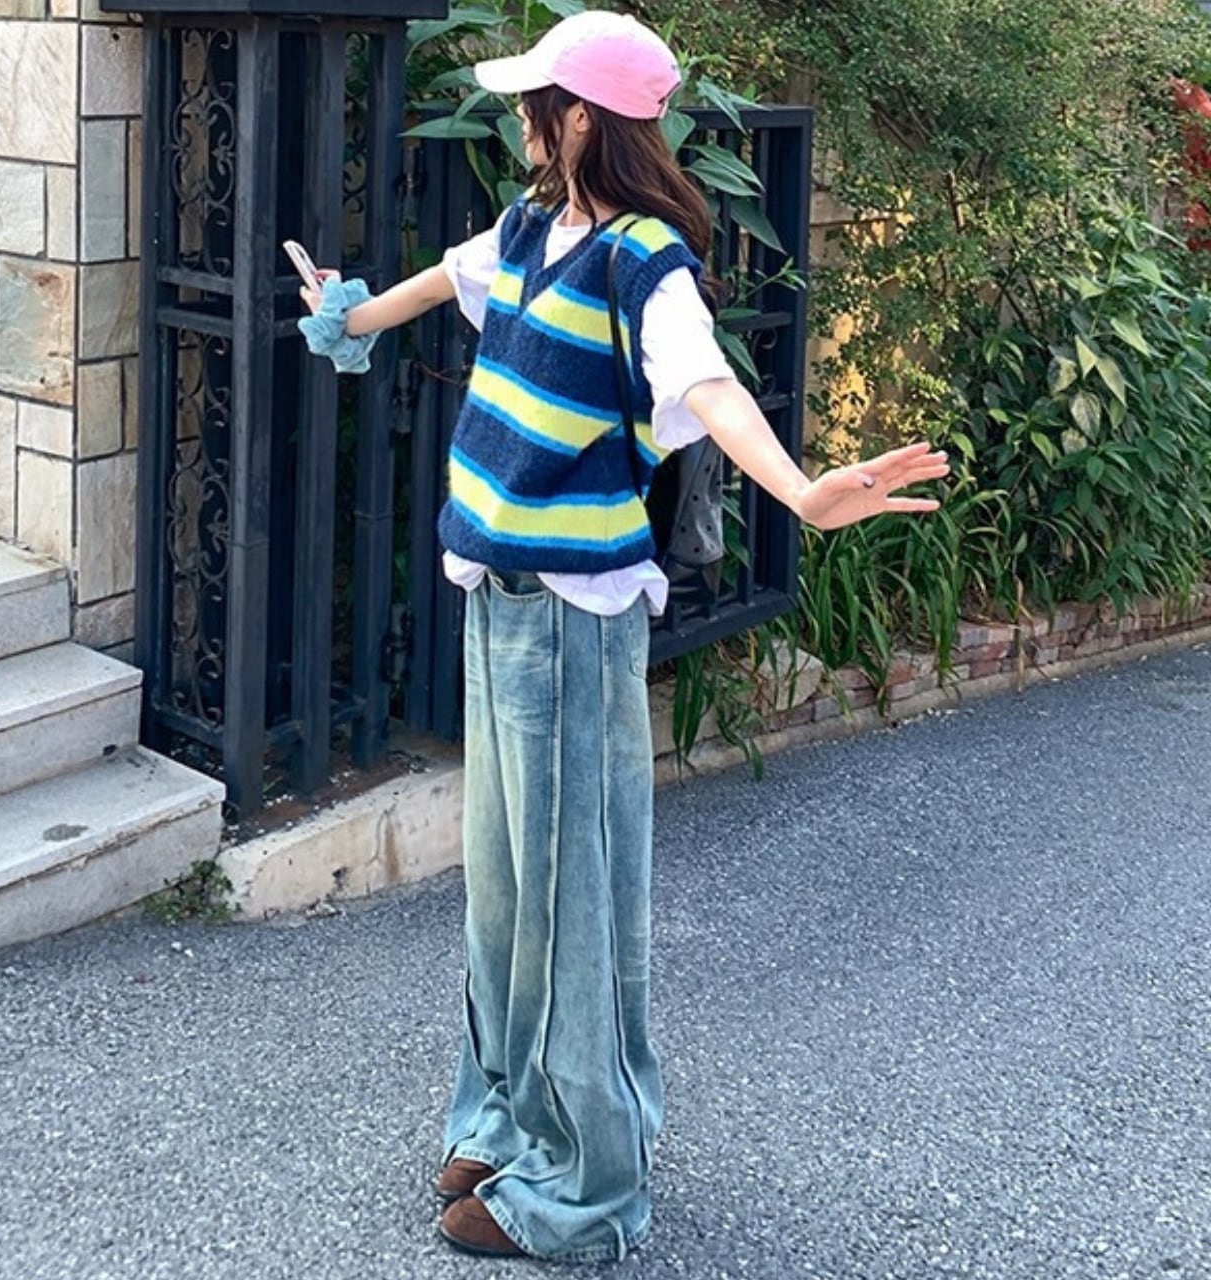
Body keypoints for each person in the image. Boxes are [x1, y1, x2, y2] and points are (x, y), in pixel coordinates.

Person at [299, 9, 950, 1264]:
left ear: (581, 119)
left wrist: (800, 490)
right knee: (502, 893)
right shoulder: (530, 228)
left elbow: (704, 385)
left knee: (568, 905)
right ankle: (504, 1115)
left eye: (533, 102)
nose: (516, 118)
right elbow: (444, 281)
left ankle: (587, 1185)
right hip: (496, 601)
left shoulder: (643, 262)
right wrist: (347, 315)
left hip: (570, 626)